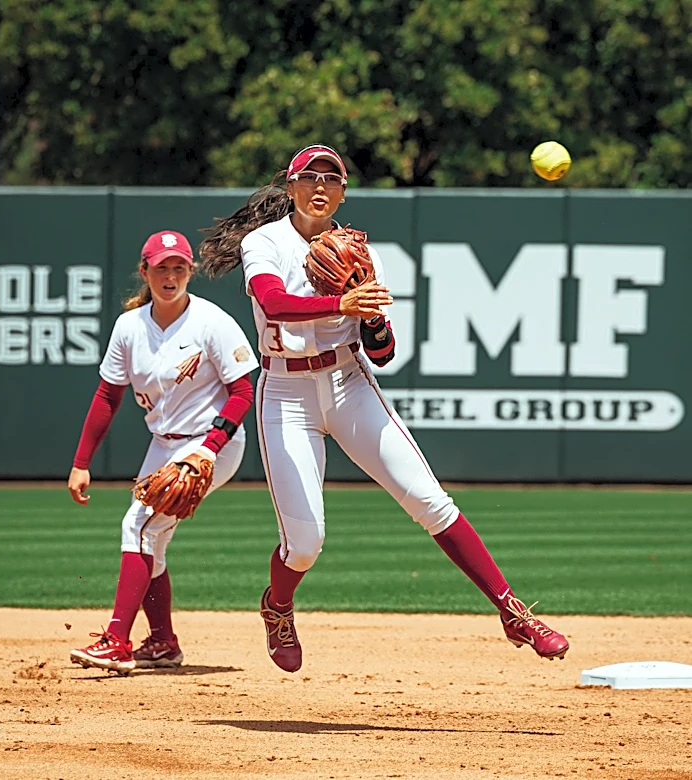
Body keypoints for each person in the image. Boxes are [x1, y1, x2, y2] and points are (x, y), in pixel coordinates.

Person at [199, 145, 569, 673]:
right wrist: (341, 304)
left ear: (343, 192)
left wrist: (372, 322)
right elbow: (274, 302)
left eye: (333, 179)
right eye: (311, 177)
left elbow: (384, 353)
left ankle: (513, 612)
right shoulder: (266, 241)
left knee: (431, 501)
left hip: (350, 382)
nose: (321, 186)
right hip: (287, 392)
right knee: (304, 545)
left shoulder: (352, 249)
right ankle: (277, 605)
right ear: (291, 186)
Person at [68, 230, 258, 675]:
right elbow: (106, 396)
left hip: (213, 444)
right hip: (164, 444)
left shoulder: (212, 321)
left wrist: (208, 451)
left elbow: (242, 391)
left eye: (179, 267)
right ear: (145, 271)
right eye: (161, 267)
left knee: (137, 525)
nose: (170, 275)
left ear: (190, 271)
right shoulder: (130, 327)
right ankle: (162, 643)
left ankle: (117, 640)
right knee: (152, 539)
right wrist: (81, 462)